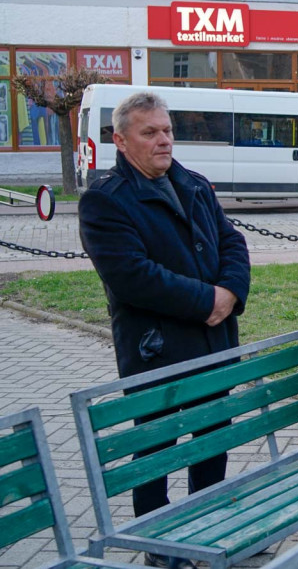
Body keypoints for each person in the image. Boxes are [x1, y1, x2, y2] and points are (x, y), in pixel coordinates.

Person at [79, 91, 250, 569]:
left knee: (212, 442)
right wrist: (207, 301)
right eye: (149, 132)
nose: (163, 140)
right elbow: (132, 277)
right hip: (157, 352)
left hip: (215, 343)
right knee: (155, 449)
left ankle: (208, 531)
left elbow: (231, 241)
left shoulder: (194, 183)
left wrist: (231, 292)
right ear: (121, 139)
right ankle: (156, 543)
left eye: (167, 130)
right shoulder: (105, 200)